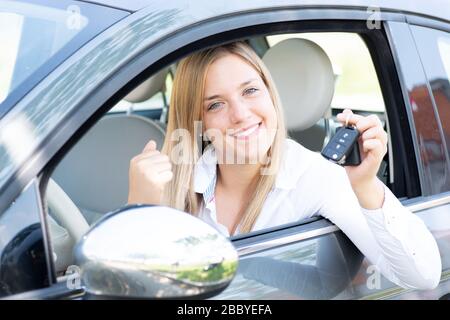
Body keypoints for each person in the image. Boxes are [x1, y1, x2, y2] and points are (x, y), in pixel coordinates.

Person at [127, 41, 441, 290]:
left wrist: (365, 185)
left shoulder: (315, 176)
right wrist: (140, 211)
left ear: (269, 93)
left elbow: (423, 276)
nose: (240, 114)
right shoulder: (173, 181)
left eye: (250, 90)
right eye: (215, 105)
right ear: (198, 122)